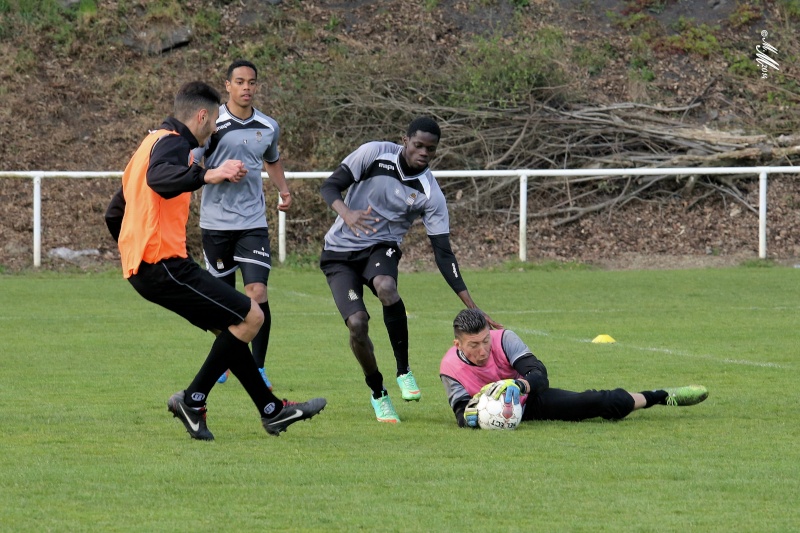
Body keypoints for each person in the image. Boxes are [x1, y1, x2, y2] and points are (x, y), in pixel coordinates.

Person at [104, 81, 325, 441]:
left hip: (149, 268)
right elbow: (160, 181)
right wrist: (209, 174)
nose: (216, 127)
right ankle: (192, 399)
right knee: (252, 315)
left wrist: (133, 253)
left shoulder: (149, 144)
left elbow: (115, 212)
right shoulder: (175, 143)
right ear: (203, 116)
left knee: (231, 331)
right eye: (215, 119)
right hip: (163, 265)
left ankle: (271, 411)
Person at [319, 116, 501, 424]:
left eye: (430, 149)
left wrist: (472, 307)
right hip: (338, 254)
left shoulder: (430, 192)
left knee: (386, 287)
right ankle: (379, 393)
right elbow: (330, 186)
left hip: (382, 247)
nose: (423, 153)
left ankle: (404, 371)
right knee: (357, 324)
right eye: (418, 145)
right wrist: (347, 213)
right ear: (405, 140)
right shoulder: (374, 153)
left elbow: (443, 254)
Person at [192, 59, 290, 389]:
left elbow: (272, 160)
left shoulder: (268, 125)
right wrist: (215, 173)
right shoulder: (212, 123)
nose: (246, 87)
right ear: (228, 86)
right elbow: (194, 161)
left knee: (257, 292)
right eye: (240, 81)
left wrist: (284, 191)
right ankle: (226, 359)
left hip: (252, 221)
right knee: (222, 298)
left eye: (251, 81)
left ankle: (259, 367)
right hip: (215, 222)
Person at [440, 308, 708, 428]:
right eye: (474, 345)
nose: (483, 349)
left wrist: (518, 385)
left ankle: (659, 396)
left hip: (530, 401)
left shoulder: (505, 338)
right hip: (500, 414)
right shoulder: (450, 367)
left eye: (485, 340)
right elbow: (462, 413)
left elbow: (539, 375)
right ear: (458, 344)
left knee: (596, 401)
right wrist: (481, 416)